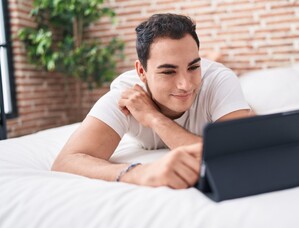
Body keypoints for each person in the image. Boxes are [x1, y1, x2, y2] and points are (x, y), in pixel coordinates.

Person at [52, 13, 251, 189]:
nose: (185, 84)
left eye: (193, 67)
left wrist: (153, 117)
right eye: (168, 71)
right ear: (141, 72)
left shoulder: (220, 80)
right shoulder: (125, 95)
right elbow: (66, 161)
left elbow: (238, 154)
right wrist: (138, 173)